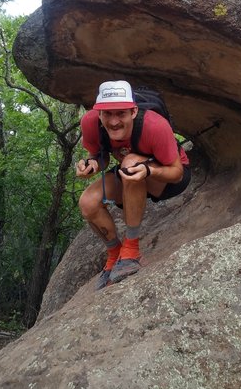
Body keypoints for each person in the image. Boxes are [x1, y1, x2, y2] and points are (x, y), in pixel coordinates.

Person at [76, 80, 191, 290]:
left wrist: (149, 171)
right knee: (88, 203)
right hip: (131, 173)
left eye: (121, 113)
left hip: (167, 177)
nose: (113, 121)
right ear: (98, 113)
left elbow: (177, 173)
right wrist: (92, 165)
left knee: (130, 165)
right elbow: (100, 157)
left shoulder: (154, 125)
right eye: (107, 114)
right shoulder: (90, 123)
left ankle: (131, 251)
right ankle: (114, 255)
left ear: (134, 111)